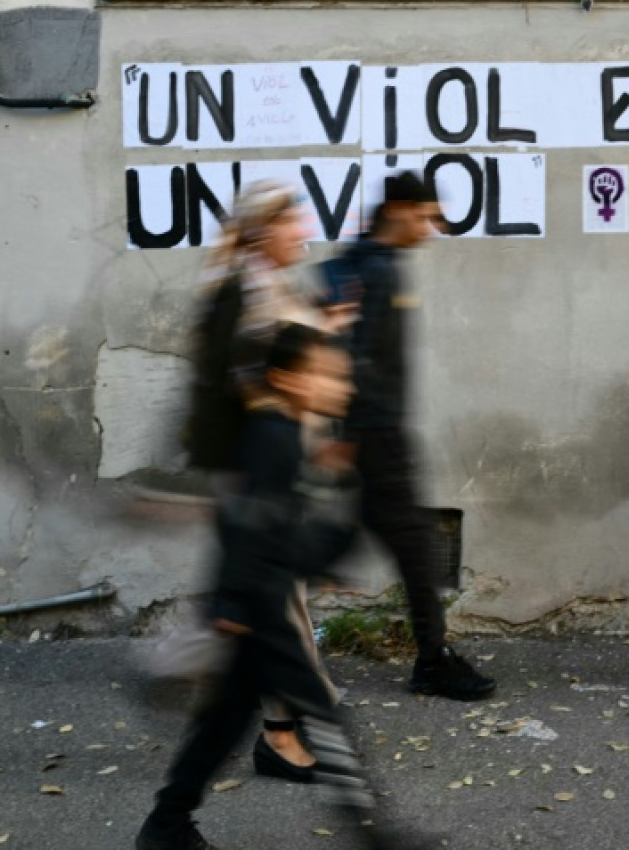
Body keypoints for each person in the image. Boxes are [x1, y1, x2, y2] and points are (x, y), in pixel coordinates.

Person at [138, 325, 431, 850]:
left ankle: (165, 826)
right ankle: (375, 837)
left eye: (339, 374)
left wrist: (319, 556)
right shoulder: (271, 437)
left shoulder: (288, 434)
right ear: (287, 379)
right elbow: (245, 524)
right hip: (260, 609)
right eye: (326, 374)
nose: (338, 385)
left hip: (254, 602)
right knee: (324, 715)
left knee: (223, 725)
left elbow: (275, 523)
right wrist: (233, 602)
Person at [184, 181, 344, 780]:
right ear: (263, 232)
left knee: (278, 603)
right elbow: (246, 390)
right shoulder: (241, 293)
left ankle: (285, 714)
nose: (303, 232)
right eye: (292, 223)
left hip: (279, 476)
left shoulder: (269, 285)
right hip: (259, 480)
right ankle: (284, 730)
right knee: (277, 605)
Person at [335, 172, 495, 702]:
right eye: (426, 216)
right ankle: (432, 662)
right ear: (399, 209)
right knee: (413, 553)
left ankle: (432, 658)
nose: (431, 229)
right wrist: (358, 436)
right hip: (377, 437)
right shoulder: (376, 270)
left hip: (372, 434)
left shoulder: (365, 262)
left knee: (375, 547)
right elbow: (358, 360)